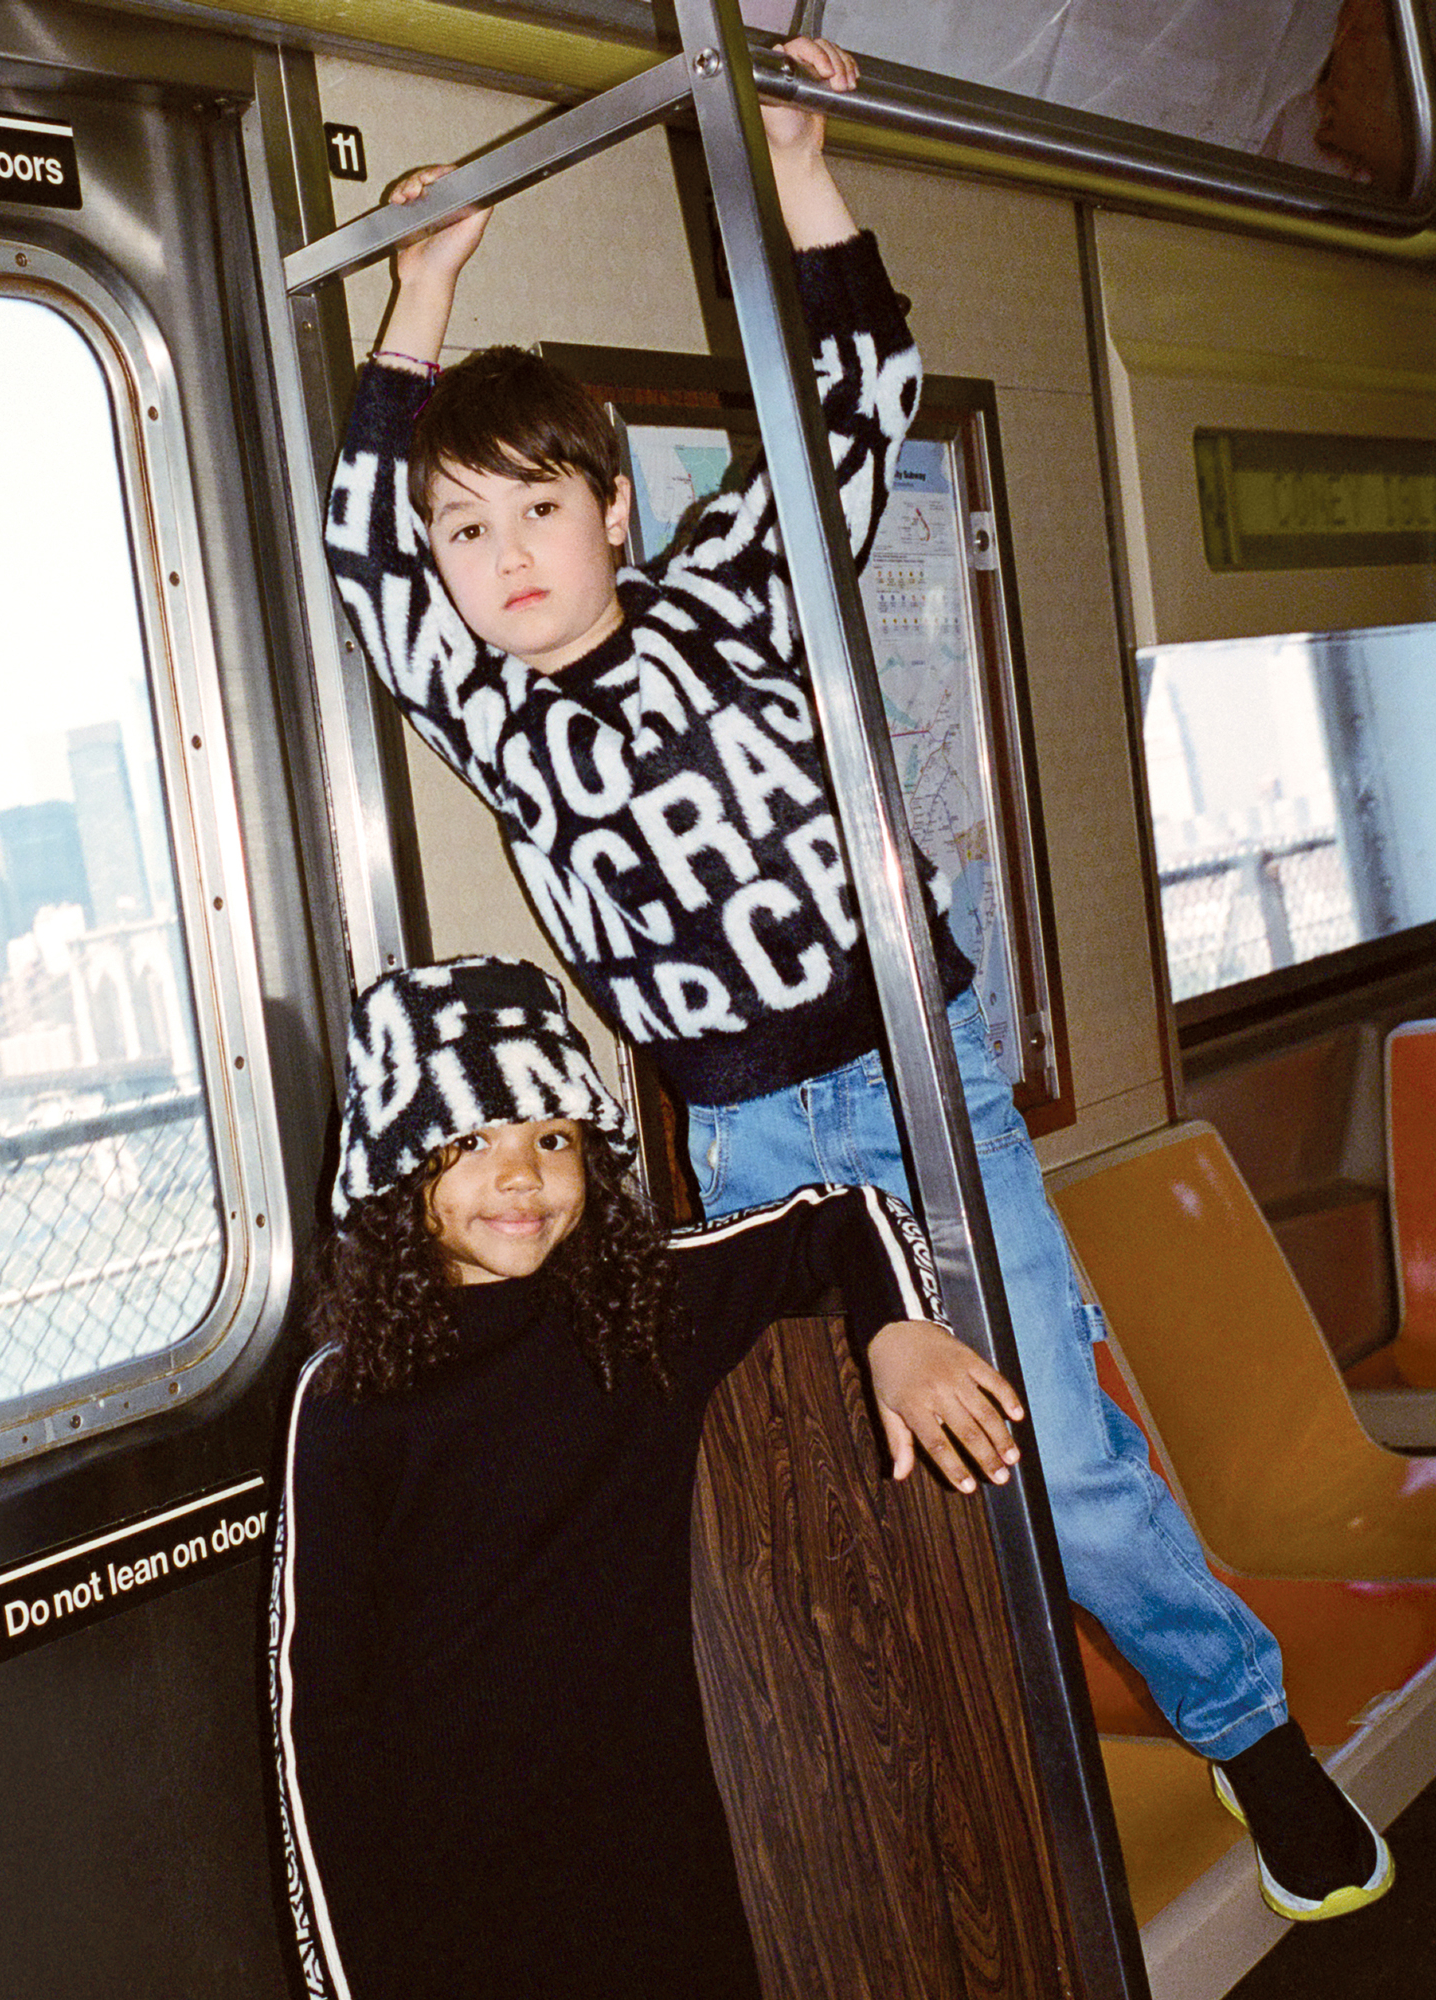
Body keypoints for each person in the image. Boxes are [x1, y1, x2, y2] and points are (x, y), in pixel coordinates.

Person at [320, 35, 1393, 1923]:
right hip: (747, 1147)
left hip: (922, 1072)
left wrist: (803, 161)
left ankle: (1247, 1731)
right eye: (464, 530)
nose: (500, 560)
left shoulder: (733, 593)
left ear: (616, 514)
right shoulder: (491, 716)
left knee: (1053, 1450)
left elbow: (852, 391)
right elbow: (360, 555)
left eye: (535, 512)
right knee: (856, 1483)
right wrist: (422, 293)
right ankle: (937, 1817)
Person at [272, 953, 1021, 2000]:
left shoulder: (635, 1310)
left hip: (649, 1832)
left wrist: (897, 1326)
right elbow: (317, 1716)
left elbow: (839, 1215)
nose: (522, 1174)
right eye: (472, 1140)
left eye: (552, 1136)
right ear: (398, 1168)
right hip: (440, 1868)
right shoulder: (346, 1396)